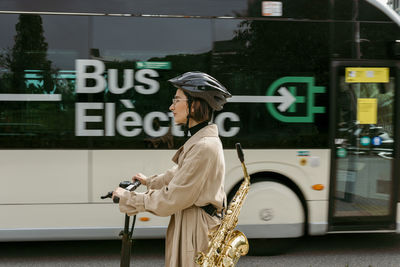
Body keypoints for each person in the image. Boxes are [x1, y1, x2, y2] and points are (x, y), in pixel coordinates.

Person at [112, 71, 231, 267]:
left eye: (176, 100)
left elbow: (173, 198)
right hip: (194, 224)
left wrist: (129, 198)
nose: (171, 107)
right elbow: (180, 174)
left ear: (195, 105)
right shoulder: (200, 140)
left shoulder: (203, 146)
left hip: (196, 231)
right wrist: (149, 181)